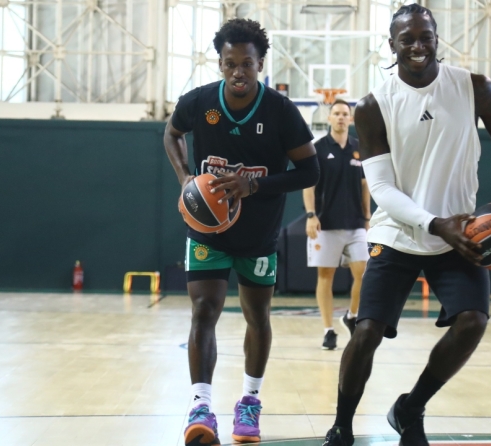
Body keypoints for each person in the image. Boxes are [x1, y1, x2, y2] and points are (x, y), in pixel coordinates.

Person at [321, 4, 491, 445]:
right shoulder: (373, 106)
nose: (417, 46)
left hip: (461, 232)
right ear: (391, 45)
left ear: (437, 38)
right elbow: (381, 187)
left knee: (473, 321)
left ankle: (410, 408)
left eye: (425, 37)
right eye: (407, 39)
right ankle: (342, 425)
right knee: (367, 331)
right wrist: (434, 223)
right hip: (398, 231)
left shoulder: (474, 88)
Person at [163, 18, 319, 445]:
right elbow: (172, 134)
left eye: (246, 64)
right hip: (207, 230)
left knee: (257, 317)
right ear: (220, 63)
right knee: (203, 310)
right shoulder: (199, 102)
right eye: (230, 63)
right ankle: (200, 406)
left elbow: (310, 171)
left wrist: (254, 186)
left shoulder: (280, 111)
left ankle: (249, 401)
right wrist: (185, 178)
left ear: (260, 64)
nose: (238, 72)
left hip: (258, 234)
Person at [303, 99, 371, 350]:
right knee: (326, 276)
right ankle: (328, 330)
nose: (341, 117)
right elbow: (308, 185)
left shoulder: (359, 148)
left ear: (350, 119)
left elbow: (365, 186)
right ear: (329, 118)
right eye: (337, 113)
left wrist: (367, 217)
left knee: (364, 272)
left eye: (345, 114)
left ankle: (352, 316)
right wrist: (311, 215)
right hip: (326, 223)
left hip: (356, 223)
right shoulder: (318, 149)